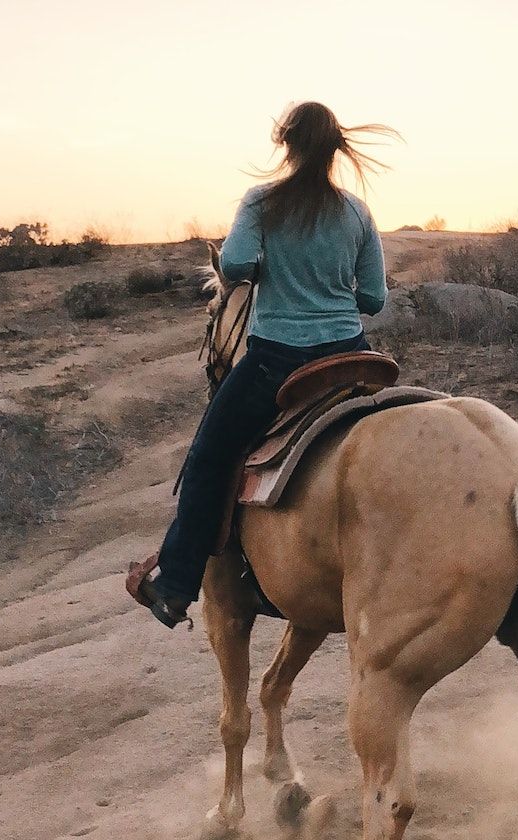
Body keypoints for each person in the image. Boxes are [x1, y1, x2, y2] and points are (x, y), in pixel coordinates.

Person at [130, 102, 394, 628]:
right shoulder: (358, 212)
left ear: (287, 144)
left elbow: (234, 266)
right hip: (354, 357)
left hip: (280, 360)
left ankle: (177, 586)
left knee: (208, 456)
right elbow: (374, 299)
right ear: (335, 148)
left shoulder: (261, 202)